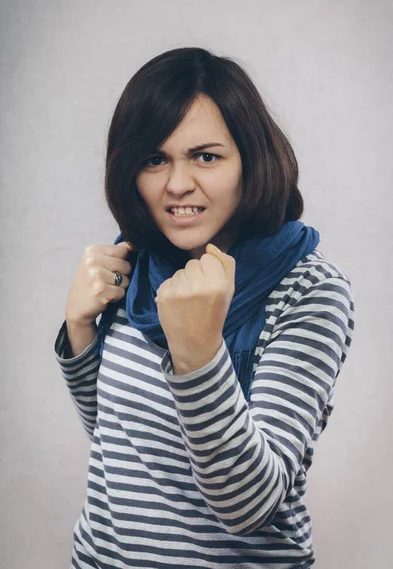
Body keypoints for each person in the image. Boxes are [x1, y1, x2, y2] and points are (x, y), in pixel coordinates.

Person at [54, 47, 355, 569]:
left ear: (251, 159)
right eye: (154, 159)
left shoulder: (310, 290)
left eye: (206, 156)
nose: (176, 184)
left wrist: (199, 354)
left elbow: (249, 505)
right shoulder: (137, 263)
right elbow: (122, 446)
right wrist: (80, 330)